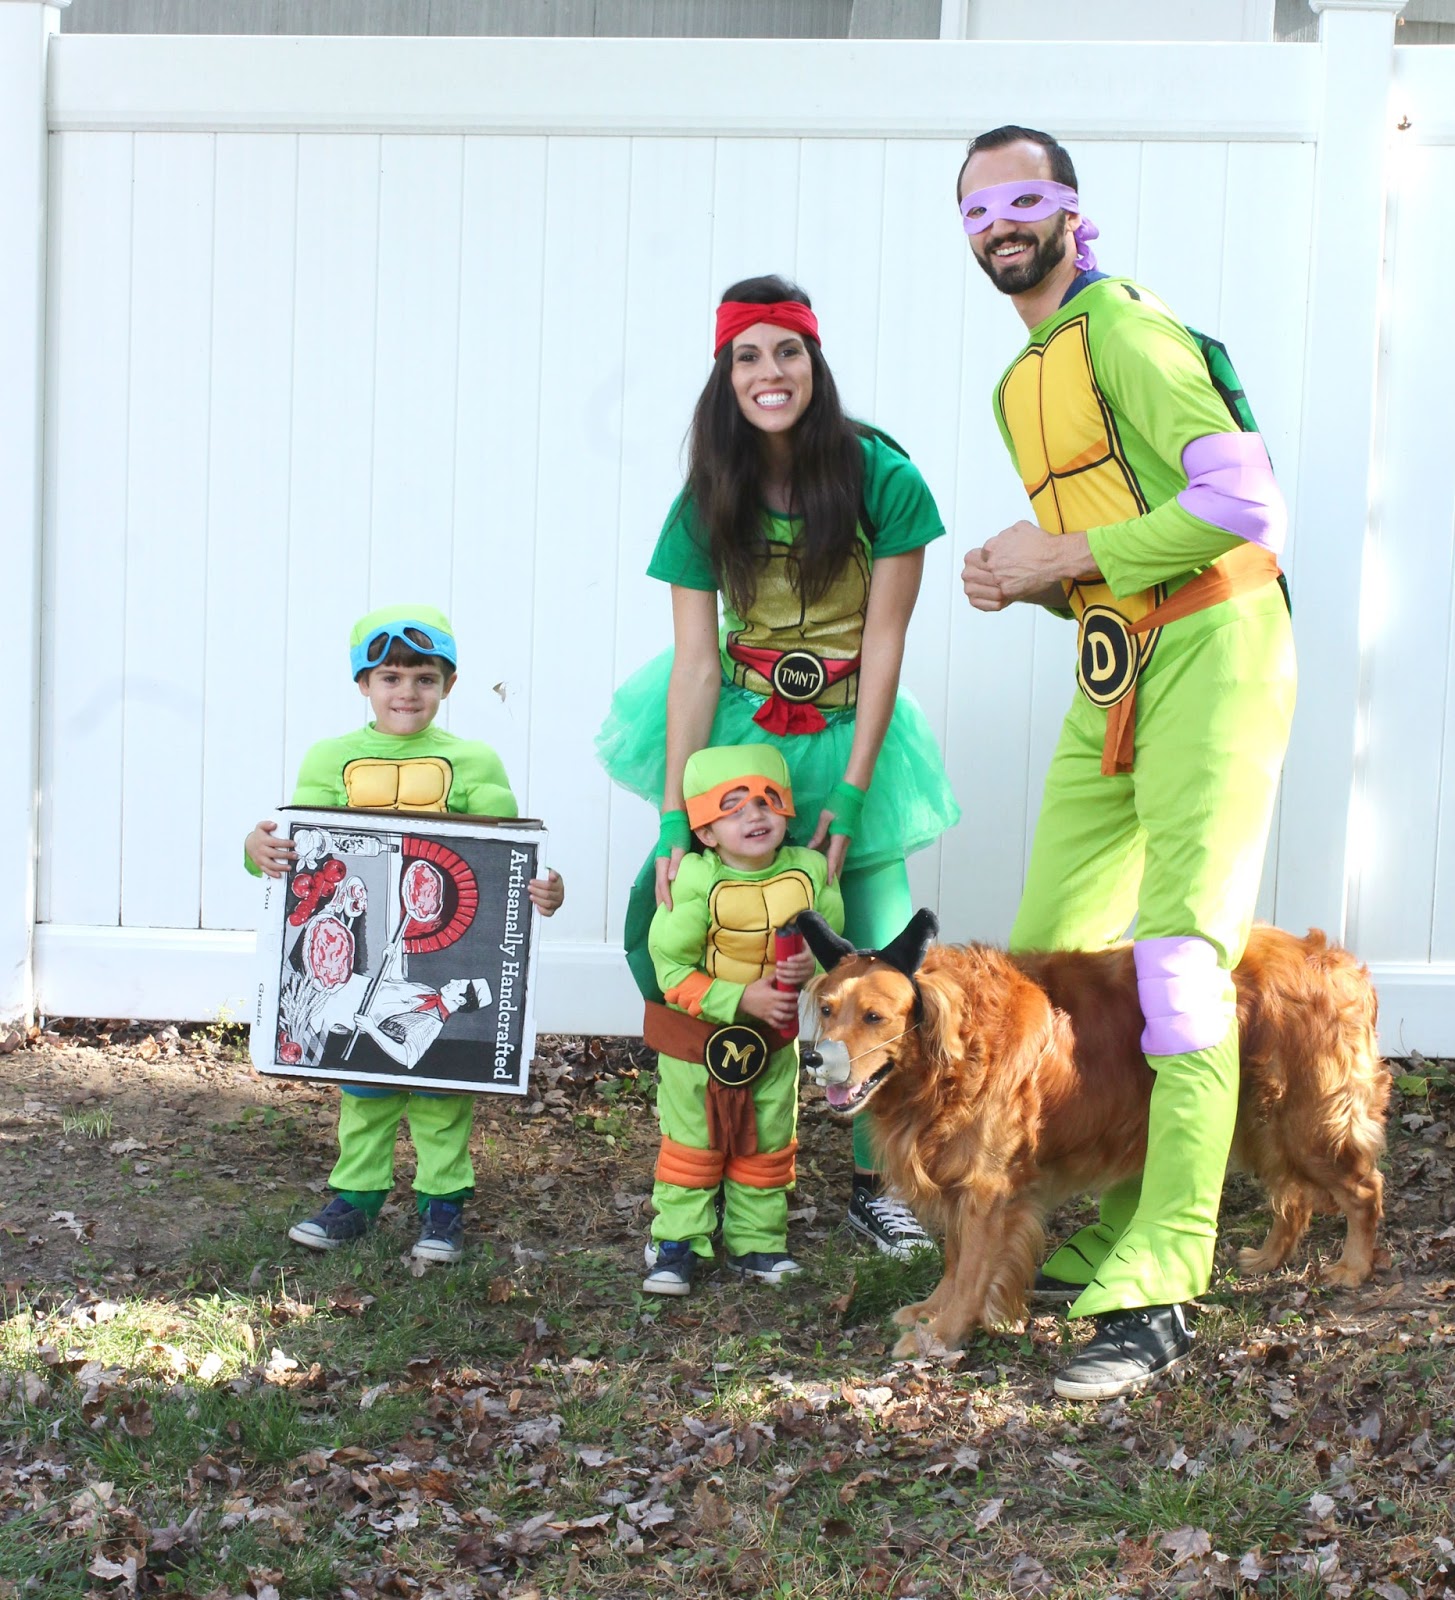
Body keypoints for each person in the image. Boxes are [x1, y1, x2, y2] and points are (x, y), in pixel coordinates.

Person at [957, 126, 1296, 1400]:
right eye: (980, 207)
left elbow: (1246, 507)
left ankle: (1163, 1272)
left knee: (1179, 965)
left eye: (1025, 198)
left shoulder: (1128, 332)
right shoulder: (1021, 382)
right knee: (1048, 967)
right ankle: (1099, 1204)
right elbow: (1101, 546)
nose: (1003, 222)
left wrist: (1052, 561)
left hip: (1218, 647)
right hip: (1118, 667)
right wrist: (1028, 579)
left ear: (1071, 213)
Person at [598, 275, 961, 1260]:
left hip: (850, 730)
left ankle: (881, 1178)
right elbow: (697, 661)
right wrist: (678, 820)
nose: (771, 372)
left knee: (881, 953)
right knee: (679, 917)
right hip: (743, 735)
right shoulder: (708, 491)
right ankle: (713, 1126)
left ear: (815, 361)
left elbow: (883, 647)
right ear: (727, 373)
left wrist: (849, 795)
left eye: (788, 351)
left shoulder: (884, 478)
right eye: (749, 355)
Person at [245, 604, 564, 1264]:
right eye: (390, 677)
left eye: (423, 677)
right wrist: (257, 849)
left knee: (441, 1082)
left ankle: (441, 1208)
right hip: (359, 935)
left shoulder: (474, 760)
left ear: (448, 684)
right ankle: (355, 1198)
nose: (406, 693)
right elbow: (296, 853)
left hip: (443, 934)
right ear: (363, 684)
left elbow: (505, 857)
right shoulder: (330, 758)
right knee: (362, 1080)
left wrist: (545, 890)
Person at [641, 744, 844, 1295]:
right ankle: (677, 1242)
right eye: (732, 806)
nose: (754, 815)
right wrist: (736, 999)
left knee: (768, 1138)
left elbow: (835, 947)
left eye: (767, 800)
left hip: (774, 1043)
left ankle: (757, 1240)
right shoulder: (694, 881)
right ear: (705, 832)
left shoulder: (809, 873)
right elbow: (670, 966)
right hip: (698, 1041)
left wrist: (808, 965)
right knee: (692, 1141)